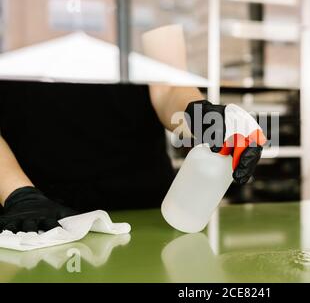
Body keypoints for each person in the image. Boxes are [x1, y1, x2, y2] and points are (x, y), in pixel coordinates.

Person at [0, 25, 266, 233]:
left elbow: (168, 87)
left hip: (145, 211)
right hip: (31, 213)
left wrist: (201, 116)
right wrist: (19, 194)